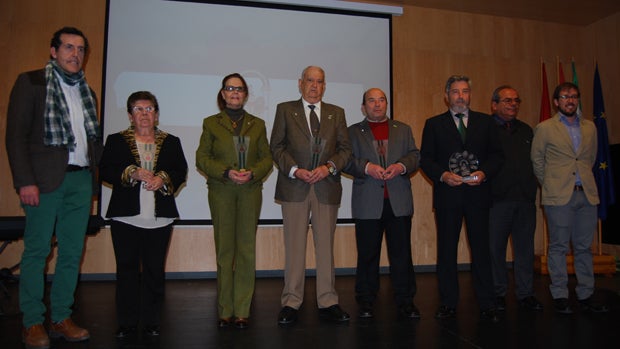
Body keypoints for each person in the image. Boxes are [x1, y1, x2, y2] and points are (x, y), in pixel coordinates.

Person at [5, 26, 103, 348]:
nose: (75, 54)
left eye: (80, 49)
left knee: (73, 252)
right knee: (37, 250)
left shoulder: (88, 93)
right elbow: (15, 137)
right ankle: (32, 322)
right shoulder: (31, 82)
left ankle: (61, 316)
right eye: (68, 48)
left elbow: (92, 141)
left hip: (79, 179)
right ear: (54, 51)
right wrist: (25, 181)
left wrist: (95, 182)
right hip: (43, 181)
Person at [99, 91, 188, 337]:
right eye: (138, 109)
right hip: (125, 217)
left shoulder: (172, 141)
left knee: (154, 271)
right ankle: (126, 323)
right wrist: (131, 172)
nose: (144, 114)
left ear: (156, 114)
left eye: (149, 109)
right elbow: (105, 170)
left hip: (160, 217)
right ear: (130, 115)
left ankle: (151, 322)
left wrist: (163, 179)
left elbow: (180, 171)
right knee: (126, 270)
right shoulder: (116, 140)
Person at [270, 66, 352, 324]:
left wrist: (328, 168)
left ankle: (328, 300)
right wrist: (295, 170)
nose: (314, 86)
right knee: (294, 246)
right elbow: (277, 146)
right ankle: (292, 302)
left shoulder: (336, 113)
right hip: (295, 186)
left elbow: (345, 149)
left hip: (326, 186)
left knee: (326, 247)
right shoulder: (285, 109)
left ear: (324, 86)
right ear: (300, 83)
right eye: (310, 81)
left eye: (319, 82)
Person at [419, 75, 503, 322]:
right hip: (448, 196)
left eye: (465, 91)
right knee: (446, 251)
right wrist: (443, 175)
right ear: (447, 95)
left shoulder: (486, 123)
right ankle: (448, 303)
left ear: (470, 95)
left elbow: (498, 156)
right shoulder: (434, 124)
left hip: (479, 195)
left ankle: (487, 303)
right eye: (455, 92)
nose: (460, 96)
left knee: (481, 251)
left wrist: (484, 172)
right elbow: (426, 159)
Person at [196, 73, 273, 329]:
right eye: (230, 88)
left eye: (239, 89)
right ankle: (224, 309)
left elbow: (267, 158)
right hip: (221, 191)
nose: (235, 93)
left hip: (250, 191)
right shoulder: (211, 123)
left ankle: (242, 310)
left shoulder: (258, 124)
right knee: (225, 251)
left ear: (246, 94)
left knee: (246, 251)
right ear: (223, 93)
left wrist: (253, 172)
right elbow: (202, 158)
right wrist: (226, 171)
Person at [531, 82, 608, 314]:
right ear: (556, 102)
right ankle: (560, 295)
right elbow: (537, 161)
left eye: (574, 96)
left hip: (586, 195)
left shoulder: (590, 128)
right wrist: (552, 184)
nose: (570, 100)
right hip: (558, 196)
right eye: (565, 97)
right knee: (558, 247)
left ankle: (586, 294)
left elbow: (590, 159)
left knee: (584, 248)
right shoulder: (544, 128)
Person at [343, 88, 421, 319]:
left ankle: (405, 300)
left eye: (381, 100)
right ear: (363, 106)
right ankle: (366, 300)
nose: (377, 104)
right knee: (367, 254)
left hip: (398, 201)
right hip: (368, 202)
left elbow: (415, 156)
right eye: (371, 100)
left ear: (386, 104)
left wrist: (401, 166)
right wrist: (367, 167)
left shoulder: (403, 129)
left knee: (401, 253)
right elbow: (345, 160)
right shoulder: (353, 132)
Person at [488, 86, 543, 311]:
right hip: (496, 201)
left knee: (524, 250)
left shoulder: (527, 130)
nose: (513, 104)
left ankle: (525, 293)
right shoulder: (485, 128)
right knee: (495, 250)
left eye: (516, 100)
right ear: (494, 104)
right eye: (507, 100)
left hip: (525, 200)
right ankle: (497, 293)